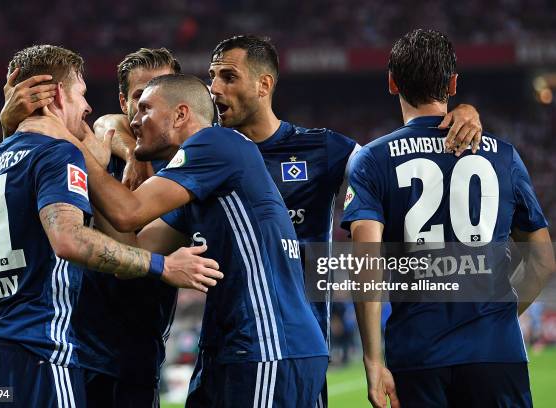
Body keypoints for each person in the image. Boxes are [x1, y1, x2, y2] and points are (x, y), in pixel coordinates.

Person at [98, 35, 484, 407]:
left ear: (264, 84)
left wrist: (452, 116)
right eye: (212, 77)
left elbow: (393, 170)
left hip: (281, 342)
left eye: (228, 77)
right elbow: (133, 230)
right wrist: (113, 137)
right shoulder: (199, 162)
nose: (214, 88)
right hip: (228, 343)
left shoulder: (322, 149)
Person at [22, 73, 330, 408]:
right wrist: (97, 168)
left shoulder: (216, 144)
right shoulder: (195, 189)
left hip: (268, 342)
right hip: (233, 347)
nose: (135, 121)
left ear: (181, 114)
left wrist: (71, 145)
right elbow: (134, 251)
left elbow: (128, 212)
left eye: (145, 110)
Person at [0, 45, 222, 408]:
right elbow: (70, 239)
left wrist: (13, 132)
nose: (88, 107)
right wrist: (165, 266)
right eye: (141, 97)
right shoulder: (71, 152)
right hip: (48, 357)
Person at [342, 29, 555, 408]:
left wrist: (373, 360)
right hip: (496, 352)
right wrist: (499, 316)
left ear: (392, 83)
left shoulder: (372, 159)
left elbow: (366, 262)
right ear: (453, 83)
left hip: (418, 353)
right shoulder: (504, 154)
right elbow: (541, 260)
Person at [0, 48, 184, 408]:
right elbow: (100, 125)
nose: (151, 103)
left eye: (162, 90)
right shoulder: (96, 142)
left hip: (133, 352)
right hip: (62, 346)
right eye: (139, 96)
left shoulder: (186, 171)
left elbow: (134, 244)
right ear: (122, 102)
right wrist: (10, 128)